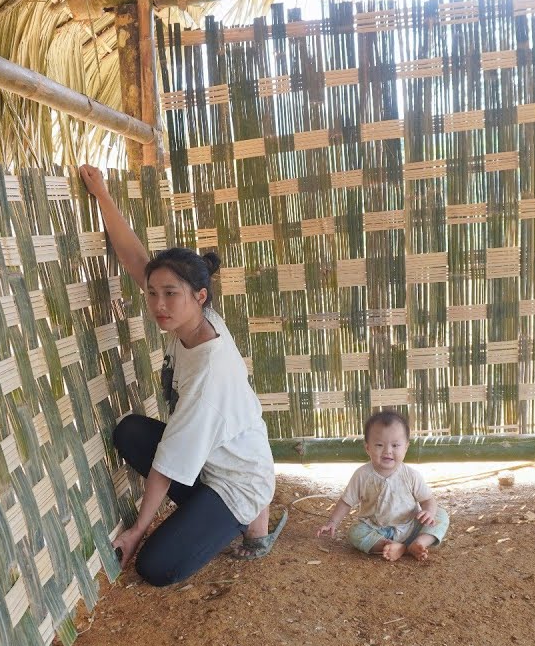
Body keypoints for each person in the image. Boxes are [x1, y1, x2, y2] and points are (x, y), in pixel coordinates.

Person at [78, 164, 283, 587]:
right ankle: (220, 515)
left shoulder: (210, 374)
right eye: (153, 293)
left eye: (170, 294)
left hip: (236, 480)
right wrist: (102, 196)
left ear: (199, 296)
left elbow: (170, 462)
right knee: (131, 432)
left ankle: (253, 515)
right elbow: (138, 261)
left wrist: (137, 530)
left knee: (156, 568)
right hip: (213, 458)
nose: (159, 305)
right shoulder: (194, 319)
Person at [316, 410, 449, 561]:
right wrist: (332, 522)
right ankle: (394, 546)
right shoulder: (362, 475)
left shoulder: (411, 475)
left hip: (410, 526)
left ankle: (419, 542)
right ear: (367, 448)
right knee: (354, 533)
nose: (387, 451)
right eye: (379, 445)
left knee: (441, 514)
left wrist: (429, 513)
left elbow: (428, 500)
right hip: (375, 529)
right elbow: (346, 502)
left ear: (406, 447)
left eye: (395, 445)